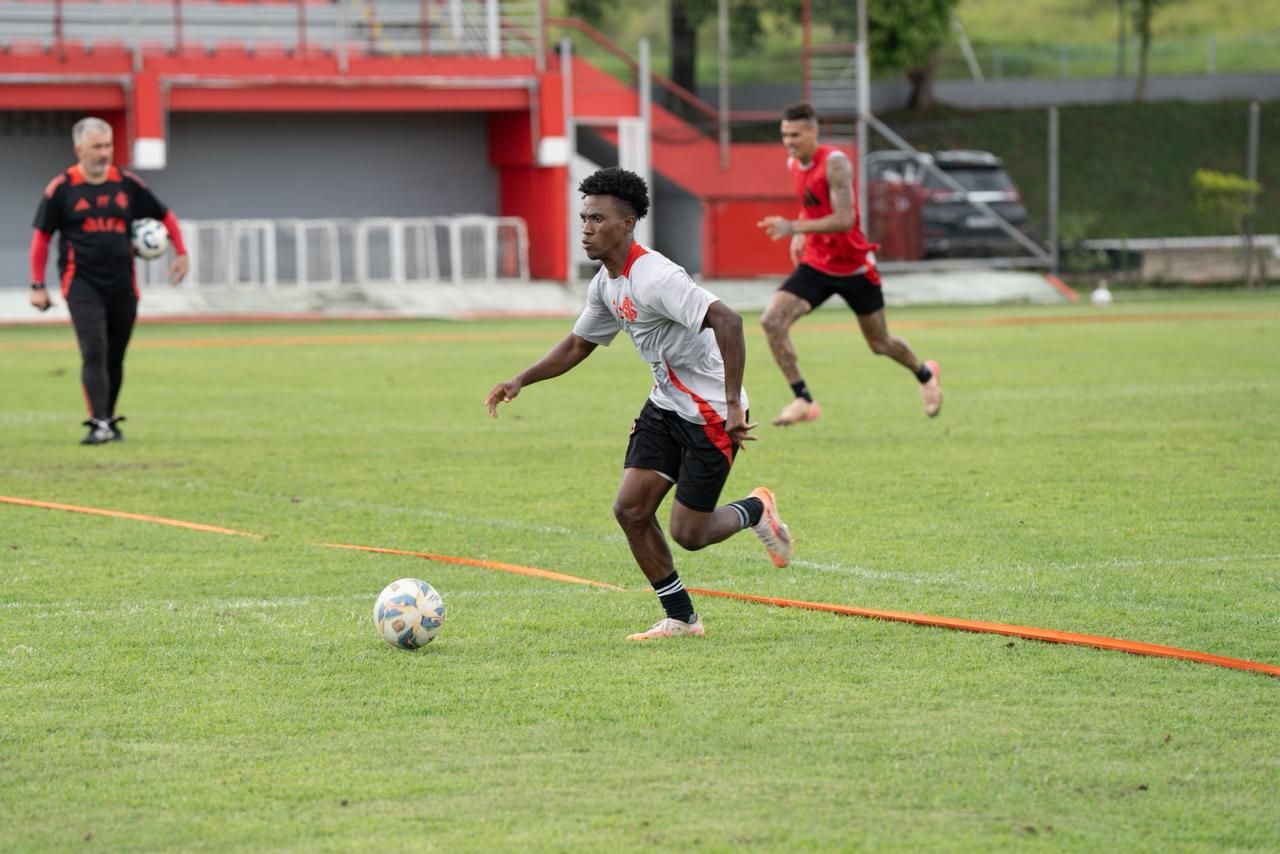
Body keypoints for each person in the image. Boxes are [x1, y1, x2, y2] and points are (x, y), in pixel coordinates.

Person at [486, 167, 792, 641]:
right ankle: (682, 619)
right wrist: (521, 379)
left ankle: (755, 509)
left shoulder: (656, 277)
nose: (586, 228)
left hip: (710, 412)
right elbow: (578, 344)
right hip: (665, 406)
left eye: (597, 219)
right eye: (583, 218)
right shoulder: (605, 284)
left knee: (690, 535)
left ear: (626, 224)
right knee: (630, 510)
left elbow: (728, 321)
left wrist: (734, 404)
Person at [756, 102, 942, 424]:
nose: (788, 142)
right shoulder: (794, 163)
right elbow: (813, 204)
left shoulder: (835, 163)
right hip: (817, 264)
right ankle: (803, 400)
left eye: (795, 135)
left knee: (880, 343)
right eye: (784, 135)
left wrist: (794, 228)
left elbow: (844, 219)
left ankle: (925, 374)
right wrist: (802, 233)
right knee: (772, 321)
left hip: (853, 266)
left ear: (813, 132)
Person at [29, 116, 190, 445]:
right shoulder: (62, 188)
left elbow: (165, 215)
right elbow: (41, 238)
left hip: (122, 285)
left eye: (108, 145)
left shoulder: (126, 184)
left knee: (115, 355)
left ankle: (109, 419)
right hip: (81, 283)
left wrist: (181, 251)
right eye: (96, 147)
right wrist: (37, 285)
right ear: (79, 149)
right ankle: (99, 422)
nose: (104, 153)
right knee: (95, 349)